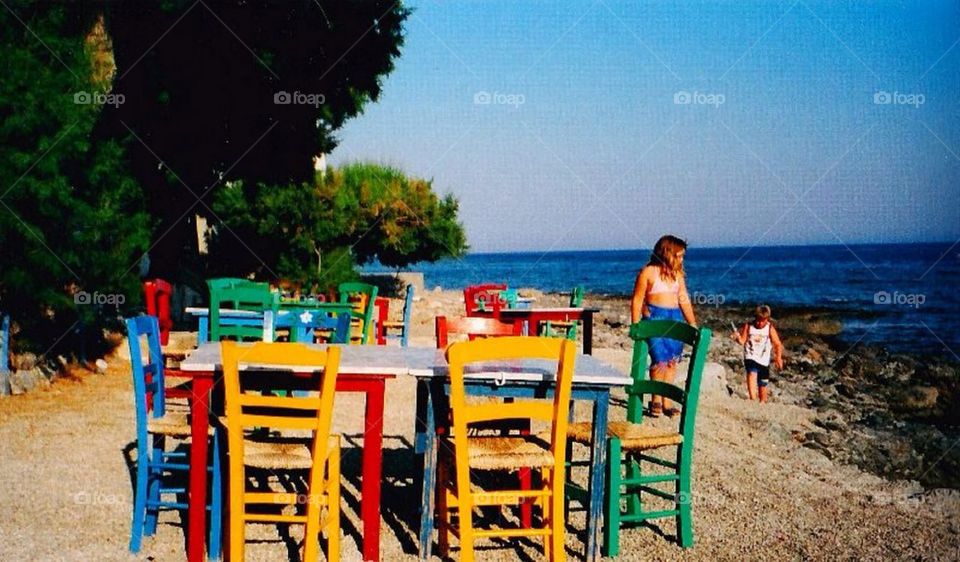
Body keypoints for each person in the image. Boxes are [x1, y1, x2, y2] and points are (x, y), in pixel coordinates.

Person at [630, 235, 697, 417]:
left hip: (675, 319)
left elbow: (683, 299)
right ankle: (656, 399)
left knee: (672, 361)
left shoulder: (678, 275)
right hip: (655, 319)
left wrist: (692, 323)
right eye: (679, 256)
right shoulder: (648, 272)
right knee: (659, 360)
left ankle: (667, 400)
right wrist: (635, 325)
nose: (682, 260)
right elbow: (637, 300)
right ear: (667, 253)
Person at [732, 305, 784, 403]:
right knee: (751, 373)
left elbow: (777, 344)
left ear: (767, 319)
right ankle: (752, 399)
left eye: (763, 321)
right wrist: (737, 338)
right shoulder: (749, 326)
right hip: (750, 356)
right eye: (758, 320)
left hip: (764, 360)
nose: (760, 323)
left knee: (762, 385)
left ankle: (762, 403)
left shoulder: (769, 328)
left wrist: (778, 358)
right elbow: (743, 341)